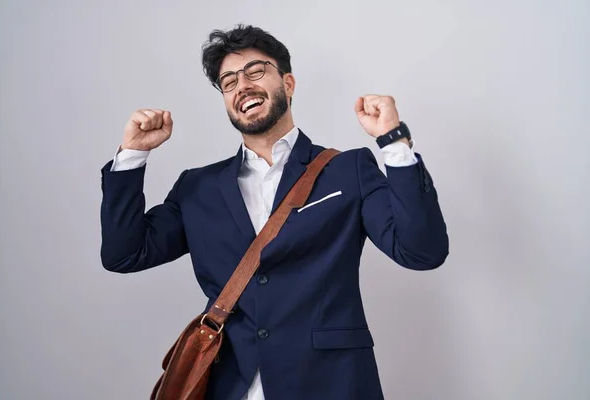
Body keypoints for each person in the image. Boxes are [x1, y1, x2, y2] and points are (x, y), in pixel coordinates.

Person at [99, 24, 449, 400]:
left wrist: (393, 142)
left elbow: (421, 252)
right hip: (230, 386)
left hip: (331, 384)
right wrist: (133, 155)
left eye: (255, 71)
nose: (242, 86)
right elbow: (124, 254)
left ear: (288, 83)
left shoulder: (350, 170)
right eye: (229, 81)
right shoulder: (196, 188)